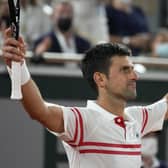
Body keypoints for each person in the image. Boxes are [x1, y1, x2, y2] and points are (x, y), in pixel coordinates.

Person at [2, 28, 168, 168]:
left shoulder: (137, 118)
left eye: (132, 69)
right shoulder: (83, 121)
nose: (134, 76)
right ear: (100, 79)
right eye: (125, 70)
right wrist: (18, 66)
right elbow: (39, 111)